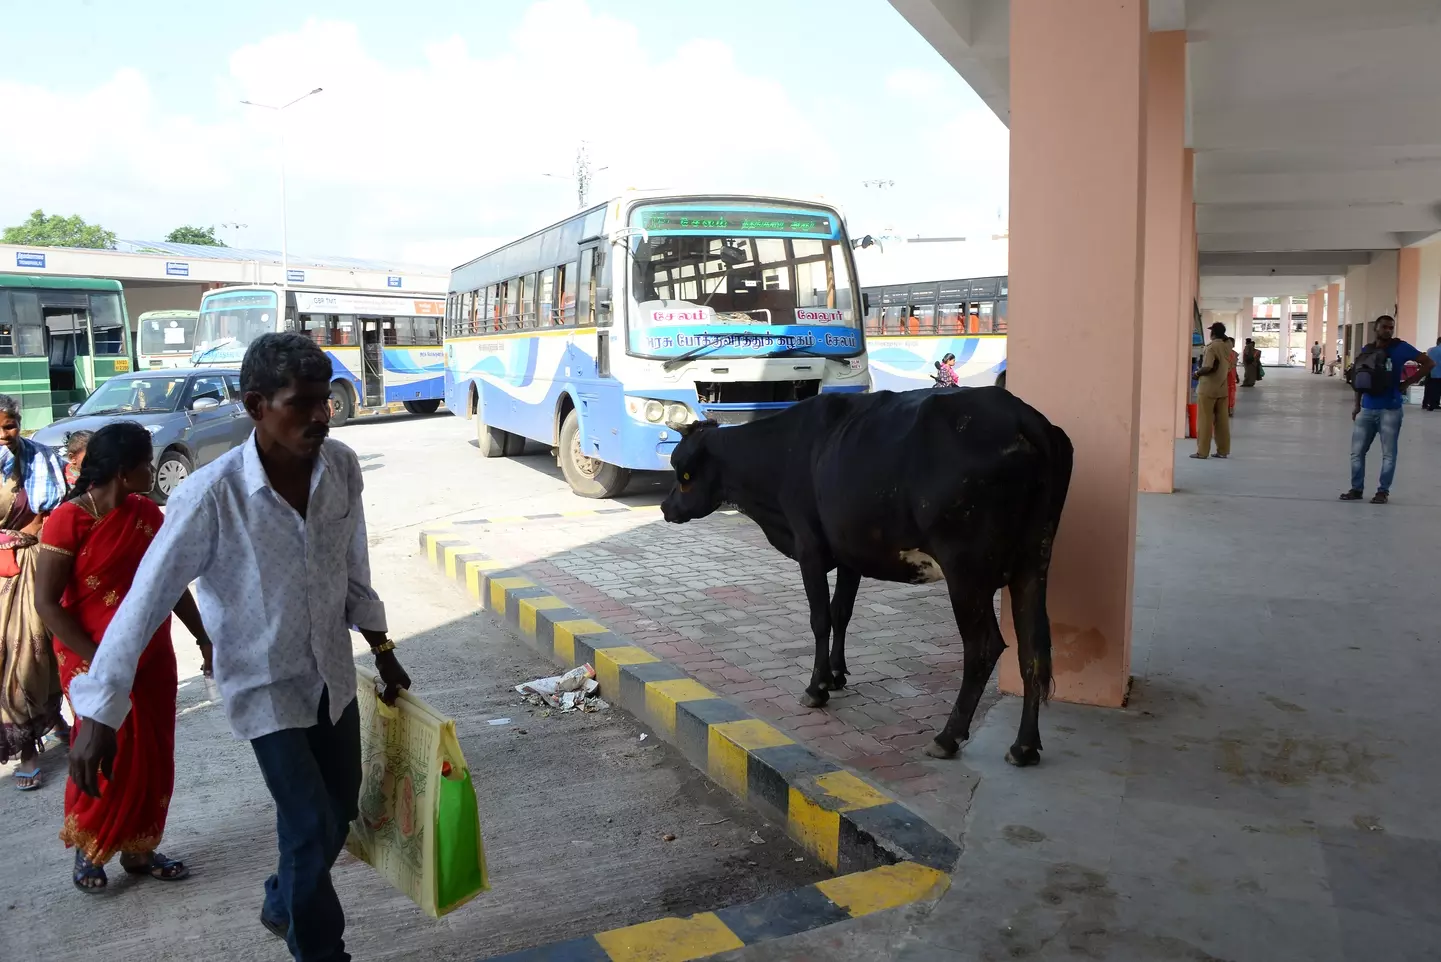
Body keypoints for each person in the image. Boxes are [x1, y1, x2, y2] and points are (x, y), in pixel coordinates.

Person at [67, 334, 410, 961]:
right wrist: (100, 708)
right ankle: (323, 951)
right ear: (255, 405)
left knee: (335, 816)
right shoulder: (210, 496)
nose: (319, 416)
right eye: (300, 403)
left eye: (324, 402)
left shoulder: (342, 469)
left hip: (332, 673)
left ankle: (283, 901)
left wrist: (380, 643)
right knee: (308, 826)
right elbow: (145, 601)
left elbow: (351, 562)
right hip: (262, 685)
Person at [34, 422, 212, 891]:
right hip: (88, 655)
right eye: (145, 462)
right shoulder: (66, 520)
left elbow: (169, 583)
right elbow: (47, 603)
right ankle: (90, 849)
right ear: (122, 469)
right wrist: (102, 660)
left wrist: (202, 637)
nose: (151, 469)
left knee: (153, 750)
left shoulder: (147, 515)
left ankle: (139, 849)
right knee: (102, 747)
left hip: (149, 653)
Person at [0, 395, 69, 790]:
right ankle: (30, 738)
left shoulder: (41, 458)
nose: (4, 435)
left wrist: (35, 527)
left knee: (34, 651)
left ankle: (34, 740)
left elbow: (54, 512)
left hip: (32, 567)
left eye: (9, 426)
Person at [1340, 315, 1434, 504]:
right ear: (1376, 328)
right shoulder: (1367, 349)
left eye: (1391, 327)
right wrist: (1357, 405)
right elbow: (1360, 379)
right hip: (1367, 408)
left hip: (1391, 408)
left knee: (1389, 454)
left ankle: (1383, 491)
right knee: (1356, 452)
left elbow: (1429, 363)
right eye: (1385, 327)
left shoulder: (1401, 347)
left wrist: (1407, 382)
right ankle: (1356, 489)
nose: (1388, 330)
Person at [1191, 322, 1231, 460]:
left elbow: (1207, 367)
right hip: (1222, 388)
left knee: (1204, 421)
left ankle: (1202, 452)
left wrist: (1196, 373)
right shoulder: (1227, 346)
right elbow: (1228, 339)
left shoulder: (1212, 347)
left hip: (1208, 388)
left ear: (1212, 333)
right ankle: (1223, 450)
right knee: (1222, 421)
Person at [1422, 337, 1441, 411]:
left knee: (1430, 389)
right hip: (1439, 372)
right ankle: (1434, 404)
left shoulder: (1430, 350)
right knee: (1437, 389)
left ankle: (1427, 404)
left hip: (1430, 372)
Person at [1225, 336, 1239, 418]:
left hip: (1231, 377)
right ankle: (1226, 410)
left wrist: (1236, 375)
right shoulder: (1223, 353)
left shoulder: (1234, 354)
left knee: (1231, 393)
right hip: (1225, 377)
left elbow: (1234, 366)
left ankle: (1230, 409)